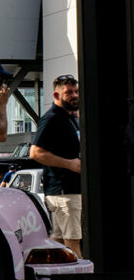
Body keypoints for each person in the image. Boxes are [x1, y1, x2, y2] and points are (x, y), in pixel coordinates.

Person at [30, 74, 82, 258]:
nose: (74, 95)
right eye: (68, 92)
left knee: (57, 242)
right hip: (63, 191)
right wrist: (69, 164)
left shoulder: (71, 117)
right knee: (72, 242)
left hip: (69, 191)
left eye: (76, 91)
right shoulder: (51, 118)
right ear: (56, 95)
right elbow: (35, 152)